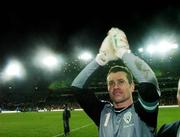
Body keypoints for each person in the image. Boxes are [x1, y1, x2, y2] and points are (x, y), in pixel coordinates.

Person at [71, 28, 160, 137]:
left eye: (121, 81)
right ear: (107, 87)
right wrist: (100, 59)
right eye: (111, 83)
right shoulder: (102, 112)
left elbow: (149, 84)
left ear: (132, 86)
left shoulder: (143, 112)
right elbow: (77, 88)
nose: (115, 86)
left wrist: (123, 53)